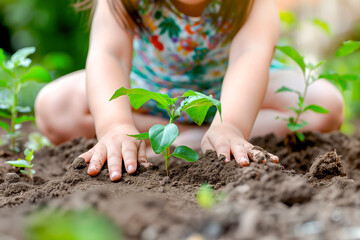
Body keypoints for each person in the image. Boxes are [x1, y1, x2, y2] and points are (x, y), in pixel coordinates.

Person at [35, 0, 344, 182]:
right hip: (150, 90)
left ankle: (209, 136)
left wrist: (231, 124)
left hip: (231, 94)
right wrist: (116, 126)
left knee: (324, 105)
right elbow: (109, 56)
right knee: (54, 106)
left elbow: (250, 55)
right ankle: (187, 137)